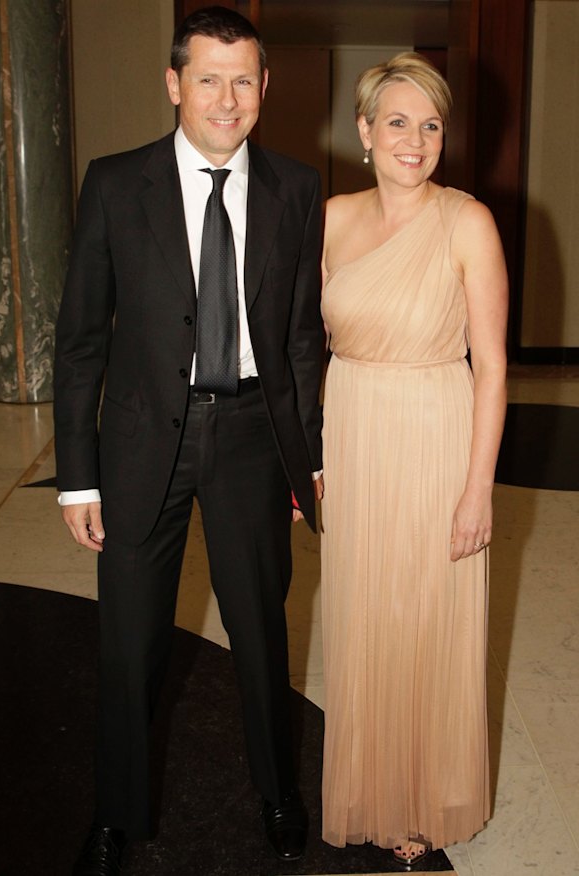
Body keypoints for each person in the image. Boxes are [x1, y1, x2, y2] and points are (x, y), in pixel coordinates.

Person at [54, 7, 324, 874]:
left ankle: (279, 793)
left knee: (261, 637)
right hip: (139, 447)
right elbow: (80, 340)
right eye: (208, 77)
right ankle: (114, 814)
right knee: (129, 645)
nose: (226, 97)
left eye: (243, 78)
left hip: (250, 436)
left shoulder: (295, 187)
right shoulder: (112, 182)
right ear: (174, 84)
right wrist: (75, 477)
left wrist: (306, 457)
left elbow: (300, 341)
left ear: (264, 88)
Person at [320, 53, 508, 867]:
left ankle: (423, 798)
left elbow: (494, 365)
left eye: (431, 124)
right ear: (364, 131)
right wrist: (311, 462)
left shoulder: (469, 222)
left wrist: (477, 492)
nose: (415, 139)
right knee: (366, 616)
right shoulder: (327, 218)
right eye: (397, 121)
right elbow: (299, 347)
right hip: (354, 430)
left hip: (437, 428)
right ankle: (367, 788)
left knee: (427, 617)